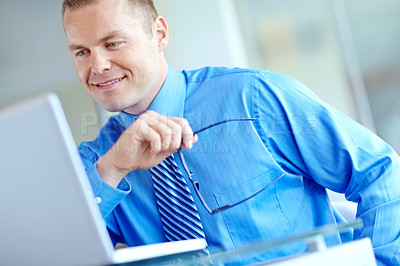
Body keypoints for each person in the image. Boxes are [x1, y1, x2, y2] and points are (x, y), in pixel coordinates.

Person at [62, 0, 400, 265]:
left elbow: (380, 172)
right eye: (81, 52)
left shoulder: (253, 99)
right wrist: (113, 169)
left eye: (113, 43)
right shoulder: (95, 164)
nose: (98, 66)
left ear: (159, 34)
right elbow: (62, 256)